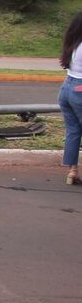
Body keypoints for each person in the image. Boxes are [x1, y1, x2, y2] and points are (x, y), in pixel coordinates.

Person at [59, 11, 82, 185]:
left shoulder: (72, 44)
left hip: (66, 88)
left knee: (73, 131)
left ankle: (72, 171)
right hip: (80, 89)